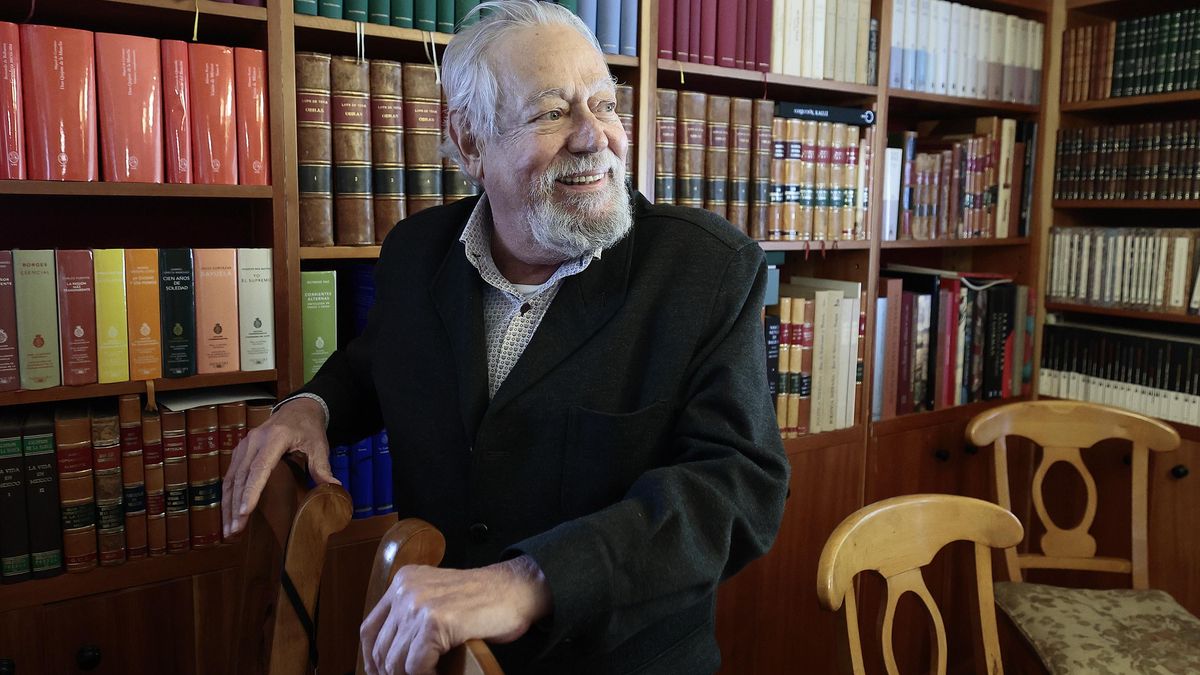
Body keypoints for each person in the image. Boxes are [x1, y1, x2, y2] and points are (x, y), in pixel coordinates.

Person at [221, 1, 789, 673]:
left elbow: (736, 490)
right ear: (468, 142)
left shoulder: (708, 269)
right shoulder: (417, 252)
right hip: (435, 658)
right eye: (552, 112)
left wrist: (529, 579)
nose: (593, 136)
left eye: (604, 105)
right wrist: (310, 408)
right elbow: (376, 364)